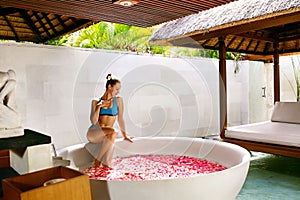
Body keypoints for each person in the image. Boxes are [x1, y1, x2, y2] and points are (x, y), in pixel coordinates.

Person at [86, 74, 133, 168]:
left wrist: (124, 135)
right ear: (109, 87)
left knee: (107, 164)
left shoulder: (118, 100)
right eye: (117, 89)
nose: (118, 92)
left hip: (109, 135)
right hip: (94, 133)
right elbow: (94, 122)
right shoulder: (95, 101)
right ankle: (97, 160)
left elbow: (120, 118)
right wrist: (99, 107)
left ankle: (100, 165)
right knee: (114, 131)